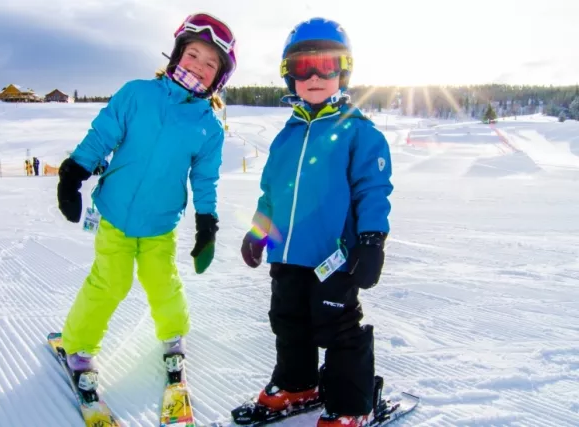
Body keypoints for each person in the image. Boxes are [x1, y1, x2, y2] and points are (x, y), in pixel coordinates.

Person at [55, 12, 236, 388]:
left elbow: (205, 179)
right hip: (115, 214)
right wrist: (73, 173)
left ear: (219, 78)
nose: (199, 66)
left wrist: (207, 222)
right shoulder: (138, 94)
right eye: (193, 55)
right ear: (176, 54)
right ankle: (78, 346)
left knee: (163, 282)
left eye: (210, 63)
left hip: (160, 223)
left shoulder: (208, 127)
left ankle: (174, 336)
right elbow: (101, 135)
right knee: (110, 282)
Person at [239, 18, 393, 427]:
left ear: (343, 71)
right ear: (289, 75)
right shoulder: (286, 136)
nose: (313, 76)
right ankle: (297, 384)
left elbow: (372, 190)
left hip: (334, 256)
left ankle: (352, 403)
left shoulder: (358, 132)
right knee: (288, 321)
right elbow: (272, 192)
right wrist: (258, 232)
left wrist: (372, 240)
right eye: (301, 67)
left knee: (338, 327)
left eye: (325, 65)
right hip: (287, 253)